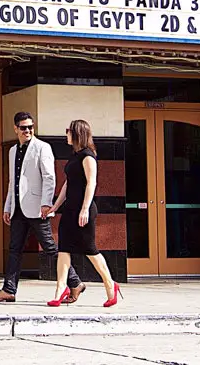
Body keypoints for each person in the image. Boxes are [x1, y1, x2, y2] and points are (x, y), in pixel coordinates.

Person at [0, 112, 86, 304]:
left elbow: (49, 177)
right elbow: (13, 182)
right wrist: (8, 206)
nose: (28, 130)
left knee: (50, 249)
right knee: (14, 249)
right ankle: (8, 290)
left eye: (30, 127)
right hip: (18, 209)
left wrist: (46, 203)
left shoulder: (42, 148)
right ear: (16, 129)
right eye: (23, 127)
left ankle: (75, 282)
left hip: (38, 208)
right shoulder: (13, 150)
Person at [47, 119, 121, 308]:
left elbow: (92, 183)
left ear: (77, 133)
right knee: (63, 249)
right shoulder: (75, 156)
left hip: (83, 210)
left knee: (90, 250)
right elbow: (67, 184)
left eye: (68, 131)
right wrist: (55, 206)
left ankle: (110, 285)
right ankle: (60, 289)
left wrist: (85, 208)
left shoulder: (88, 156)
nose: (66, 134)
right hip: (70, 209)